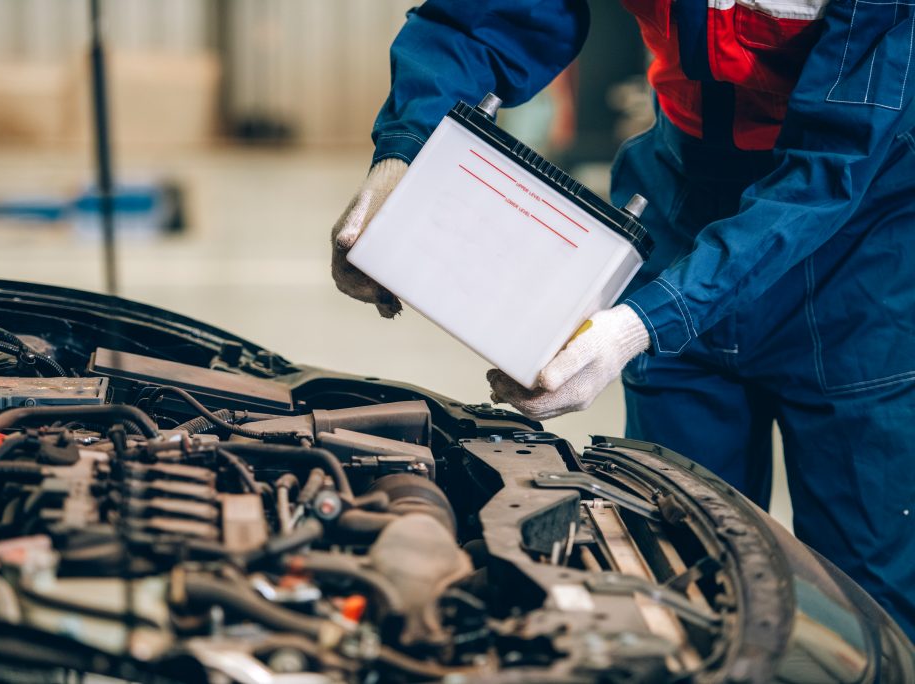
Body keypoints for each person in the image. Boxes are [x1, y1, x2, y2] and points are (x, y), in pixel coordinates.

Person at [329, 0, 915, 641]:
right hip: (680, 206)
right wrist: (403, 157)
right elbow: (482, 19)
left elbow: (832, 166)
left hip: (854, 258)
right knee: (681, 576)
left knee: (864, 606)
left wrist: (637, 326)